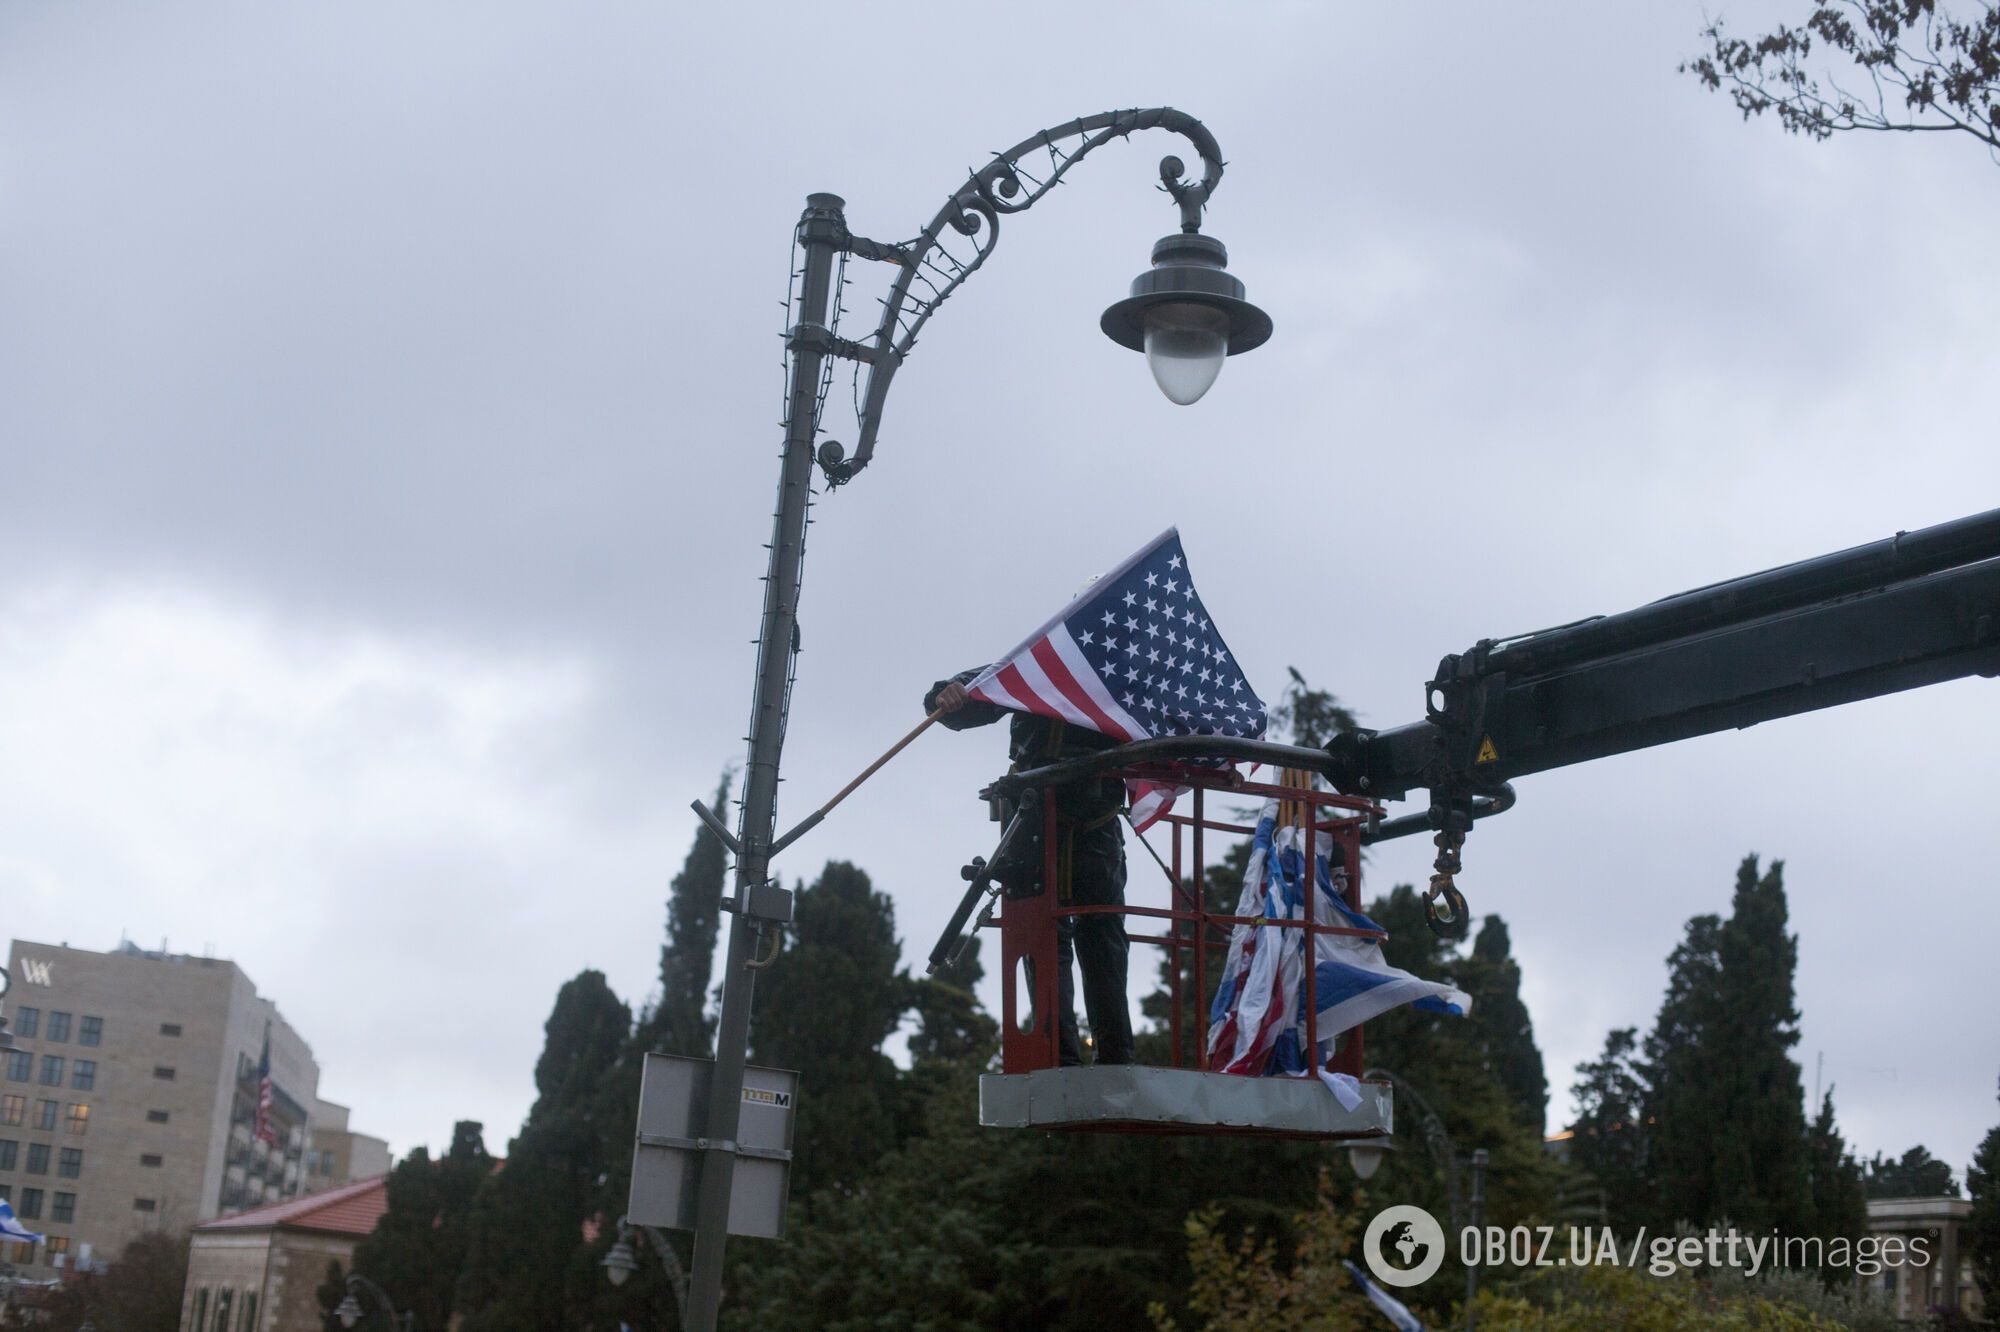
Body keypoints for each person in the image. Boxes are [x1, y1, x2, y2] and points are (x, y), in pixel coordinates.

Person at [926, 671, 1134, 1066]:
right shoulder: (1039, 664)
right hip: (1035, 821)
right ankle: (1059, 1057)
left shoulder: (1122, 674)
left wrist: (1214, 761)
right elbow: (965, 699)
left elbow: (1177, 721)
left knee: (1104, 937)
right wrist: (947, 694)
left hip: (1096, 824)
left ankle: (1117, 1056)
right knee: (1043, 937)